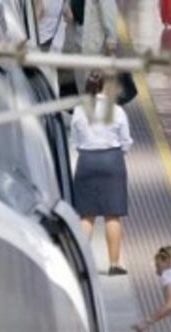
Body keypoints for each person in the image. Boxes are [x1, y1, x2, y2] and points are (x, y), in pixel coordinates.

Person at [71, 70, 133, 275]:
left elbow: (75, 141)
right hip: (112, 161)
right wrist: (117, 154)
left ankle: (80, 264)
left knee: (86, 216)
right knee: (112, 215)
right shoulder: (117, 110)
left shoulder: (79, 111)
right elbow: (126, 141)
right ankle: (114, 264)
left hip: (87, 161)